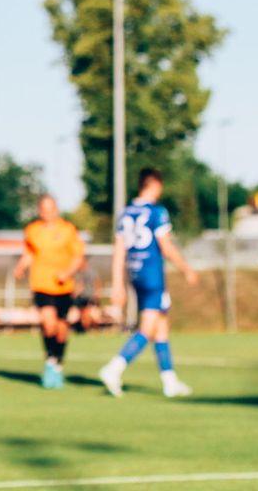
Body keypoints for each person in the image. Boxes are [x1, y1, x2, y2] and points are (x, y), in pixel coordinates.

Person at [100, 168, 199, 398]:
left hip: (135, 273)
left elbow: (118, 251)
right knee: (147, 328)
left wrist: (118, 284)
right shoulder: (157, 212)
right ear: (154, 184)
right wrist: (187, 269)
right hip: (153, 275)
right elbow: (166, 246)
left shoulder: (126, 213)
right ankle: (114, 368)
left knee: (161, 324)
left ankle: (169, 381)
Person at [14, 195, 85, 389]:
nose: (48, 213)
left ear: (56, 209)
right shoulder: (32, 230)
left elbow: (78, 256)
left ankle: (58, 364)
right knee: (48, 323)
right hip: (41, 284)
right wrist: (21, 267)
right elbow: (30, 252)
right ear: (39, 210)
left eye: (51, 209)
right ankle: (50, 362)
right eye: (44, 209)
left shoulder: (67, 230)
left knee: (61, 330)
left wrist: (67, 272)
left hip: (63, 286)